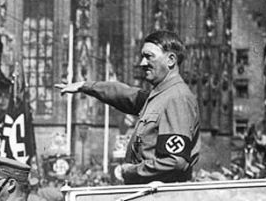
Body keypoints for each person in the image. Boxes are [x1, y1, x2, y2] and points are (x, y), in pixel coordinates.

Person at [57, 29, 199, 184]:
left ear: (170, 60)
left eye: (149, 56)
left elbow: (174, 161)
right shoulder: (160, 96)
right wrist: (85, 86)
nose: (142, 63)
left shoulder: (177, 98)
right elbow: (124, 94)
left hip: (161, 194)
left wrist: (131, 171)